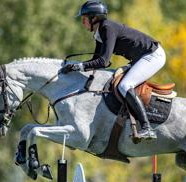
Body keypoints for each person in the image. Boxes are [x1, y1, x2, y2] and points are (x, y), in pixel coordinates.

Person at [61, 0, 166, 139]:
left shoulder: (107, 28)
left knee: (124, 85)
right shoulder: (99, 33)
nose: (82, 23)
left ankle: (147, 127)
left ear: (94, 18)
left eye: (84, 19)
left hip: (153, 55)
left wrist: (78, 66)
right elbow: (95, 60)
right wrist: (76, 67)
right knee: (116, 82)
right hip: (140, 57)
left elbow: (103, 62)